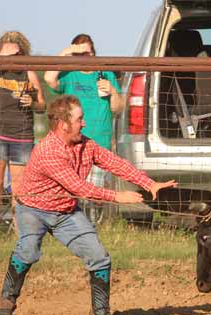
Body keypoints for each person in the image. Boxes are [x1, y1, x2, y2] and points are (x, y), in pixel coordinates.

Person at [0, 95, 178, 315]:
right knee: (28, 250)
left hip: (65, 212)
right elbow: (78, 188)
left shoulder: (86, 145)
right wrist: (117, 196)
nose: (84, 124)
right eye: (79, 119)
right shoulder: (48, 152)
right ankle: (6, 300)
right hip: (33, 210)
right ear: (63, 124)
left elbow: (115, 163)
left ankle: (101, 314)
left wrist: (149, 183)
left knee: (99, 256)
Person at [0, 31, 46, 234]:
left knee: (19, 187)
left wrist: (33, 102)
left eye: (15, 52)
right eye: (7, 51)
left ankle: (20, 233)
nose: (12, 58)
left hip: (21, 133)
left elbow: (42, 105)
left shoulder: (27, 71)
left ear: (22, 51)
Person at [44, 34, 123, 222]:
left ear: (94, 53)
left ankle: (95, 224)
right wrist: (66, 52)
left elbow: (118, 108)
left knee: (95, 193)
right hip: (71, 143)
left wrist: (112, 91)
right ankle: (74, 224)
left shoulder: (106, 74)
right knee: (73, 189)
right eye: (78, 53)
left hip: (99, 141)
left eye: (87, 52)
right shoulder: (68, 74)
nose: (84, 56)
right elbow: (48, 78)